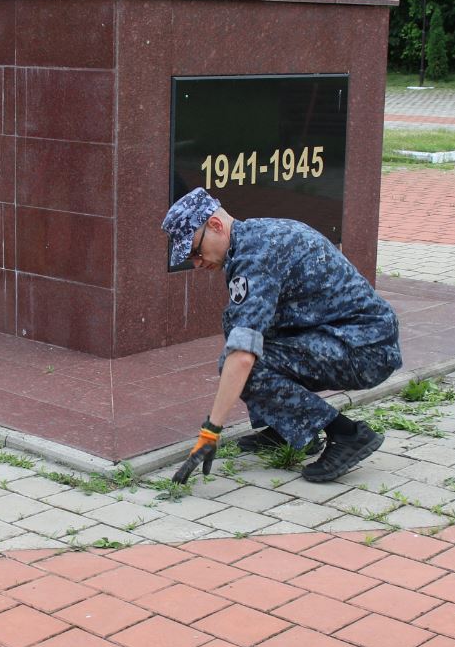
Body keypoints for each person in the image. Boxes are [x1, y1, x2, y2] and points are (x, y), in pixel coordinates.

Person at [161, 189, 402, 485]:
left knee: (242, 362)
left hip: (365, 349)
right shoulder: (252, 240)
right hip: (349, 337)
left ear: (215, 225)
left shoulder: (256, 257)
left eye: (196, 251)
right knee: (237, 321)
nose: (196, 263)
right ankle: (287, 427)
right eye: (190, 257)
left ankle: (348, 435)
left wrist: (211, 431)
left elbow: (243, 356)